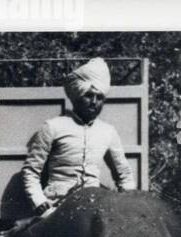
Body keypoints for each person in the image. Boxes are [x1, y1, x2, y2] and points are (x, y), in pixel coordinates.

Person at [20, 57, 135, 215]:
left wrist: (128, 205)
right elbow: (31, 171)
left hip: (94, 206)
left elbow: (124, 174)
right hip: (56, 207)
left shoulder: (108, 131)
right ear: (76, 96)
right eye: (88, 95)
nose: (94, 102)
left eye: (100, 97)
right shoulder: (53, 126)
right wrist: (39, 201)